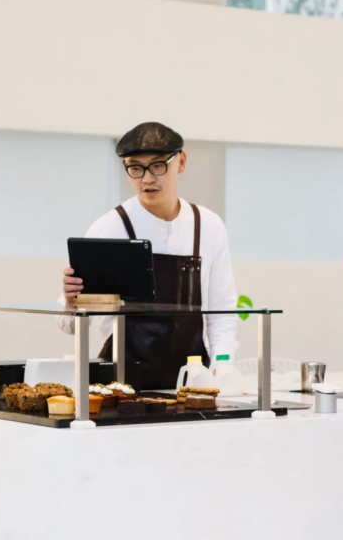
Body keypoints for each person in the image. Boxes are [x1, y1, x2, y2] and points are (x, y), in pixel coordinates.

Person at [59, 122, 238, 389]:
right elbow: (70, 324)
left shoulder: (208, 225)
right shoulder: (109, 228)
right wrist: (71, 300)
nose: (147, 178)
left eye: (157, 165)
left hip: (191, 381)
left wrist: (221, 366)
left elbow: (222, 311)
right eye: (135, 167)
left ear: (181, 162)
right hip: (121, 384)